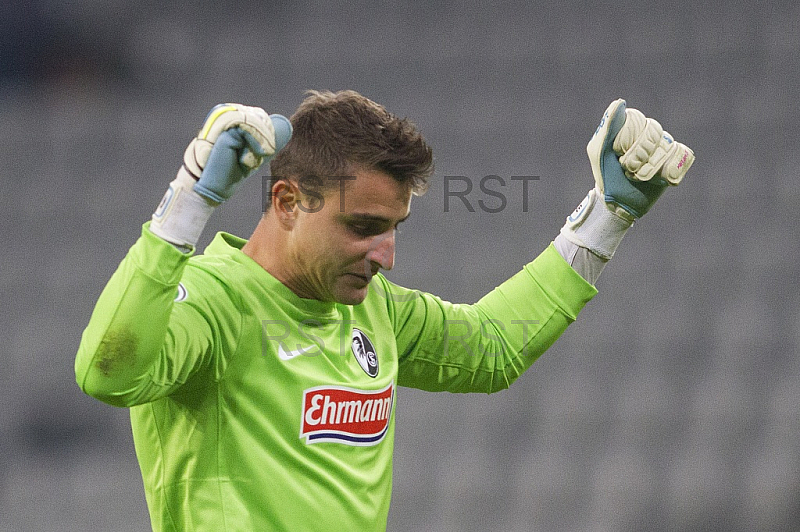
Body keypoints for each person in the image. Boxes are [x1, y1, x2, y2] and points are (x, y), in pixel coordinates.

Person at [75, 91, 694, 531]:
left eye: (394, 227)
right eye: (363, 227)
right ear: (288, 202)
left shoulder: (375, 311)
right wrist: (188, 202)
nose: (386, 256)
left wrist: (607, 219)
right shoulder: (213, 304)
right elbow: (108, 373)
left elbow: (492, 350)